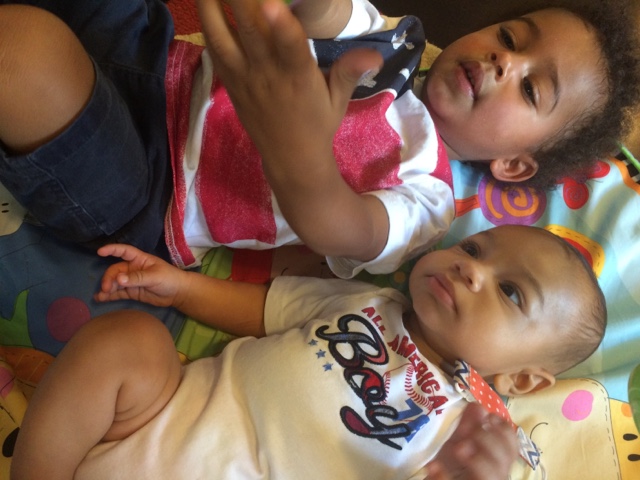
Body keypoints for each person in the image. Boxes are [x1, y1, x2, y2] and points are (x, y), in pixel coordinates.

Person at [0, 0, 638, 279]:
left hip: (151, 188)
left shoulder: (427, 198)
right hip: (158, 57)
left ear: (515, 165)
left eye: (532, 89)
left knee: (24, 52)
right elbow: (328, 13)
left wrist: (297, 153)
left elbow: (340, 228)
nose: (505, 61)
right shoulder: (393, 44)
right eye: (510, 36)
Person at [11, 225, 607, 479]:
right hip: (157, 428)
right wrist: (180, 287)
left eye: (510, 292)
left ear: (522, 381)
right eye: (475, 248)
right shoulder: (369, 301)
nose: (470, 269)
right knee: (130, 340)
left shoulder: (463, 429)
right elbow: (263, 309)